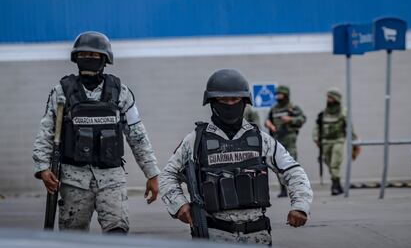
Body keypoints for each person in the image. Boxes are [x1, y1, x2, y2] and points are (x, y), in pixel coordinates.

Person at [159, 69, 313, 246]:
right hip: (214, 234)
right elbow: (168, 175)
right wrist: (179, 205)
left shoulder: (261, 139)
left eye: (235, 100)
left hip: (257, 235)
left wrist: (300, 205)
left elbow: (293, 171)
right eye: (223, 100)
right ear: (212, 102)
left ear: (244, 101)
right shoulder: (196, 139)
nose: (229, 104)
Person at [32, 31, 160, 233]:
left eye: (93, 55)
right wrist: (42, 167)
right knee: (73, 239)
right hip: (74, 180)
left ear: (104, 59)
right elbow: (46, 132)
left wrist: (152, 173)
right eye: (83, 55)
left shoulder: (120, 92)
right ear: (76, 58)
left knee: (117, 232)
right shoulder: (62, 91)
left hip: (112, 179)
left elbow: (138, 136)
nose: (88, 59)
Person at [312, 87, 358, 196]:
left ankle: (335, 186)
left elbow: (349, 126)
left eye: (330, 97)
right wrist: (315, 138)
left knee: (334, 163)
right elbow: (318, 126)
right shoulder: (323, 113)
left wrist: (355, 140)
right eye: (328, 97)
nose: (328, 99)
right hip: (325, 141)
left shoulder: (343, 112)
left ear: (336, 98)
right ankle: (337, 184)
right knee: (328, 162)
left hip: (338, 140)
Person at [264, 85, 306, 197]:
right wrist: (269, 124)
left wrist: (290, 119)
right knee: (278, 165)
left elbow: (302, 119)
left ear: (286, 95)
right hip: (278, 140)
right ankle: (283, 189)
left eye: (280, 94)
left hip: (289, 139)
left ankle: (294, 188)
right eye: (276, 95)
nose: (278, 97)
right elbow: (268, 120)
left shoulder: (292, 107)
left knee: (290, 165)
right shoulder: (274, 109)